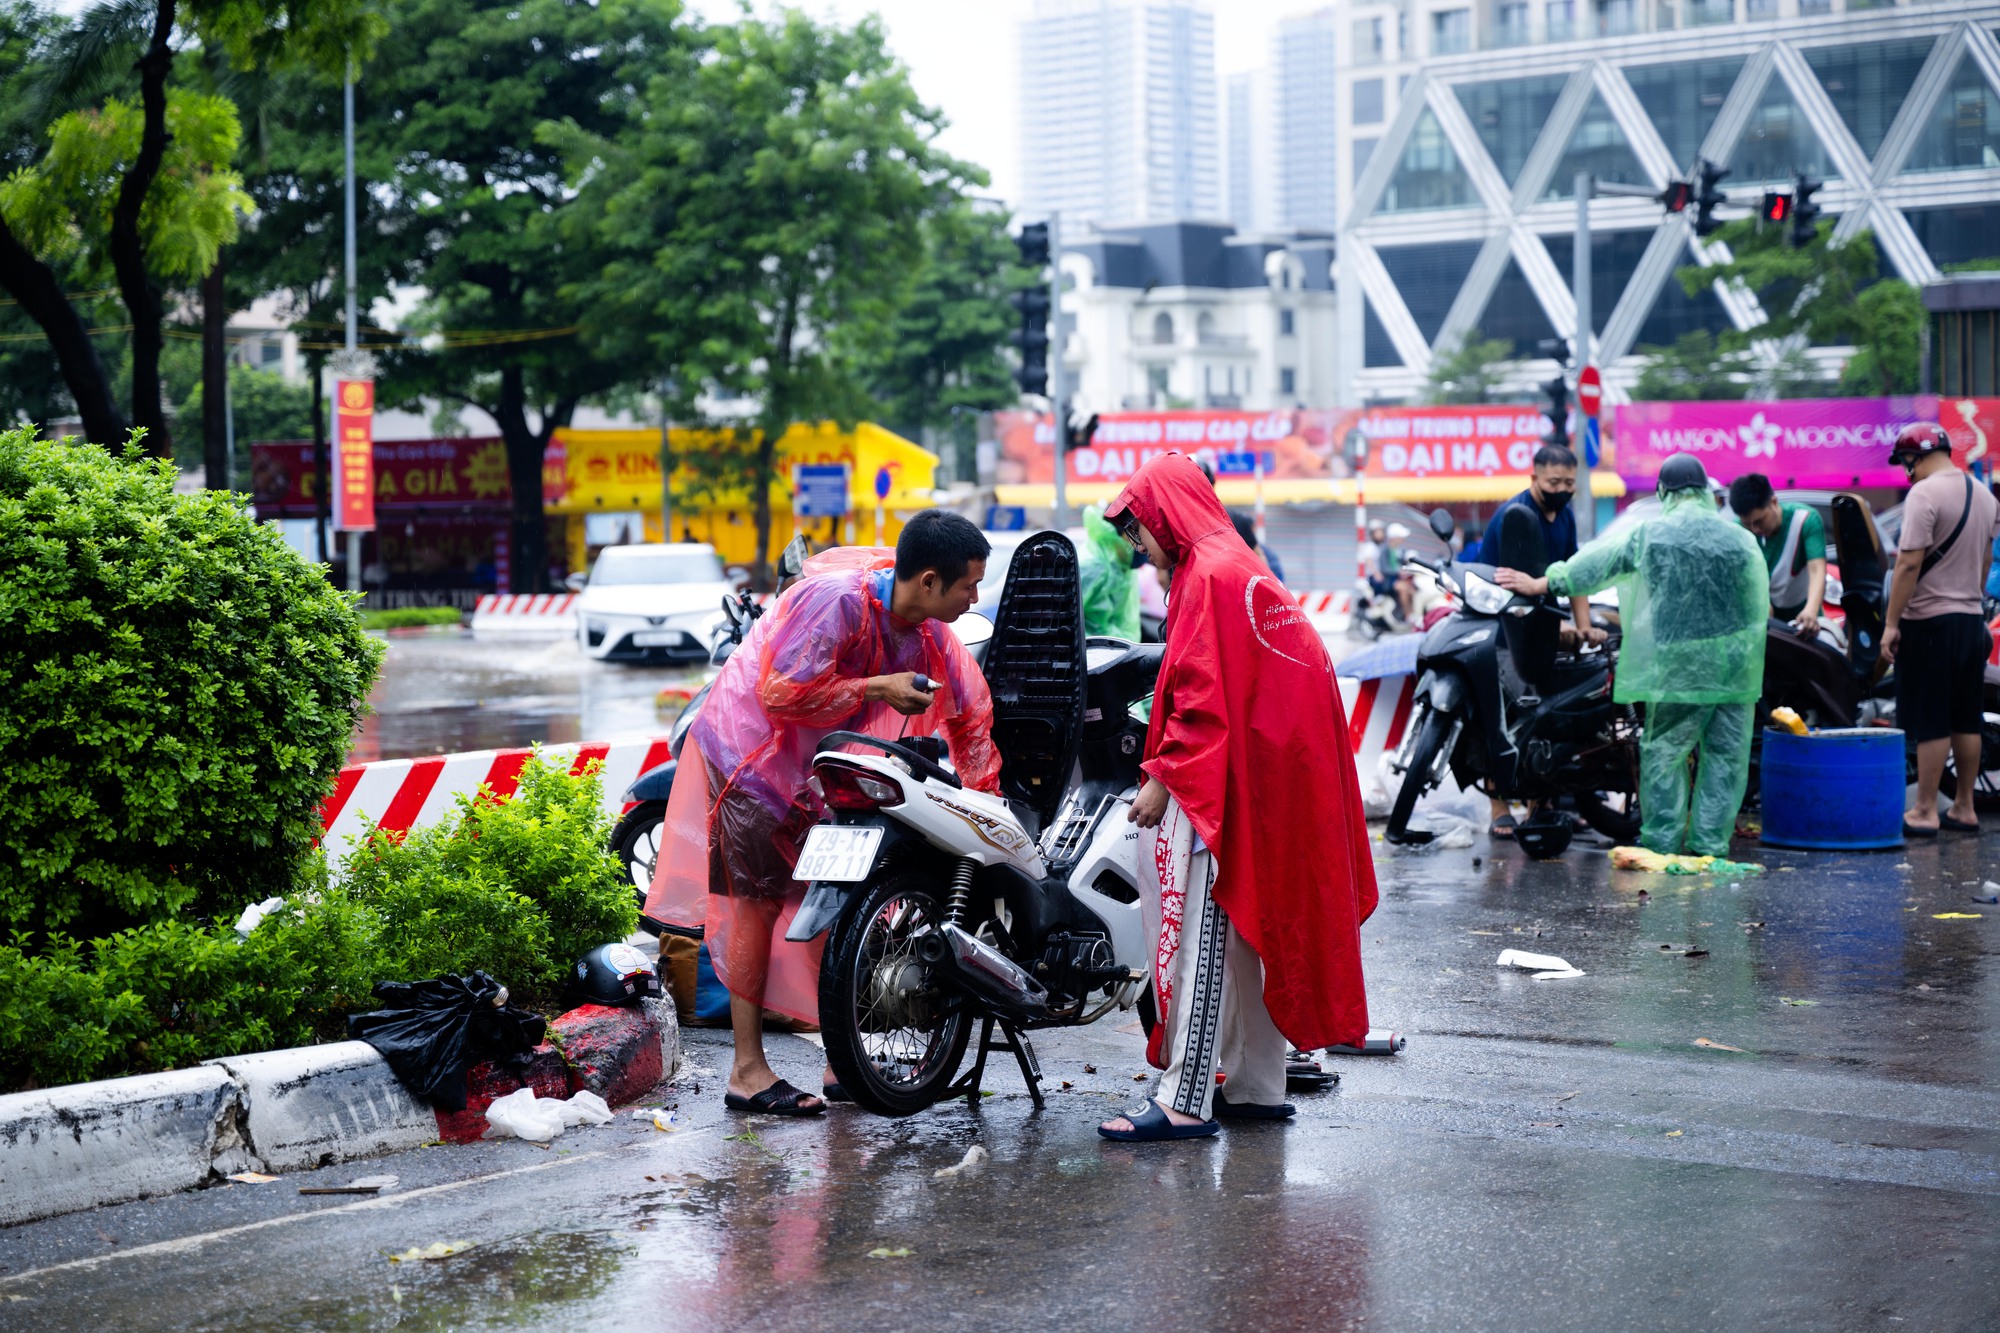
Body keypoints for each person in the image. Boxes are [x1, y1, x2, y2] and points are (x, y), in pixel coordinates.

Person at [645, 511, 1002, 1116]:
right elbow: (778, 693)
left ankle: (843, 1060)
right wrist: (877, 688)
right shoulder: (833, 602)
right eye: (968, 587)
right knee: (755, 906)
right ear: (931, 581)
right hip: (748, 760)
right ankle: (748, 1072)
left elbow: (970, 717)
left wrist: (987, 806)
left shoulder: (932, 636)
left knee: (837, 900)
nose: (974, 599)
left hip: (812, 773)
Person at [1095, 453, 1377, 1141]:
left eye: (1141, 530)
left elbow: (1200, 693)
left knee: (1208, 933)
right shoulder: (1239, 563)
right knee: (1253, 931)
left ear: (1166, 513)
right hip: (1275, 773)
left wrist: (1163, 775)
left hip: (1228, 779)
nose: (1140, 546)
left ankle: (1186, 1096)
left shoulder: (1208, 575)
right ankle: (1255, 1086)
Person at [1496, 454, 1766, 858]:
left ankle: (1661, 844)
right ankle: (1710, 847)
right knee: (1726, 757)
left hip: (1680, 666)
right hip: (1734, 669)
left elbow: (1596, 564)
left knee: (1665, 753)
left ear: (1664, 492)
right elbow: (1758, 605)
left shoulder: (1650, 534)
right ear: (1705, 491)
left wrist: (1544, 582)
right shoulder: (1741, 538)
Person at [1480, 444, 1606, 837]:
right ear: (1534, 478)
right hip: (1505, 632)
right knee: (1502, 717)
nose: (1562, 489)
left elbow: (1574, 576)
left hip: (1546, 630)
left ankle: (1542, 803)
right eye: (1554, 482)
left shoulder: (1565, 516)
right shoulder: (1513, 517)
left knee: (1549, 715)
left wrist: (1582, 626)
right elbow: (1498, 585)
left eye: (1569, 482)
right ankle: (1498, 804)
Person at [1881, 423, 1997, 836]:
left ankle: (1925, 810)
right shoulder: (1984, 496)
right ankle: (1964, 807)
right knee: (1966, 717)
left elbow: (1909, 565)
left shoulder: (1924, 494)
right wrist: (1970, 597)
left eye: (1905, 463)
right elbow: (1985, 560)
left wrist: (1892, 624)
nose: (1906, 472)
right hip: (1970, 621)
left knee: (1932, 718)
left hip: (1930, 622)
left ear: (1916, 458)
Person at [1727, 473, 1827, 634]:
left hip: (1805, 619)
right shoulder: (1737, 531)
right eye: (1748, 524)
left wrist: (1811, 610)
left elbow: (1817, 569)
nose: (1755, 530)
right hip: (1764, 624)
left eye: (1759, 521)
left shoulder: (1805, 520)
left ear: (1773, 502)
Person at [1079, 503, 1142, 640]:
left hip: (1121, 653)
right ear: (1118, 533)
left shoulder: (1123, 564)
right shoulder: (1092, 567)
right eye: (1135, 532)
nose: (1142, 544)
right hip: (1094, 656)